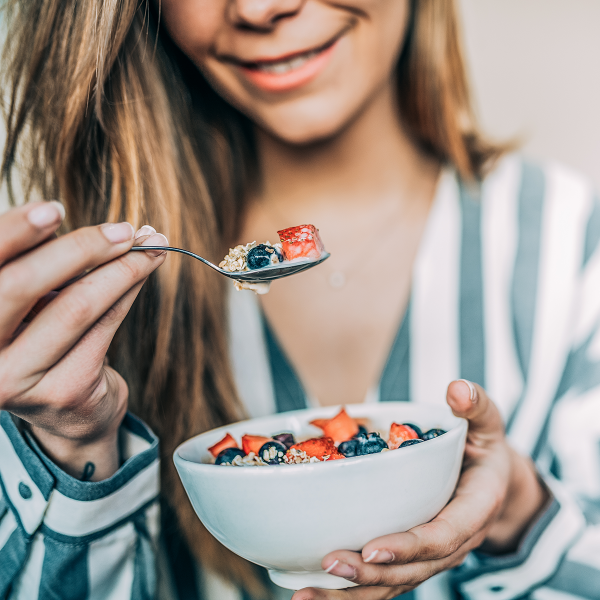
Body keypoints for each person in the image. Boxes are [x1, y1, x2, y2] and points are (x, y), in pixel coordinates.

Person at [0, 1, 598, 599]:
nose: (262, 8)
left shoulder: (573, 246)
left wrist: (519, 512)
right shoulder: (81, 312)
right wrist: (72, 444)